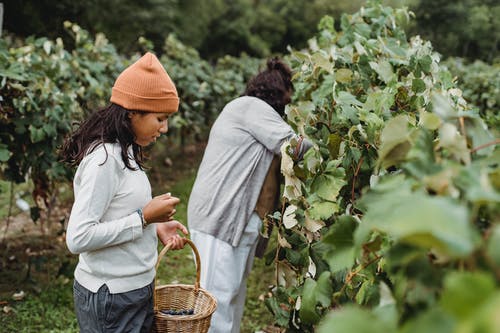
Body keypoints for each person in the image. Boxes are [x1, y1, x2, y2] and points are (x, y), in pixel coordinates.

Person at [61, 52, 189, 332]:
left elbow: (118, 211)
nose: (165, 129)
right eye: (160, 118)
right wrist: (143, 218)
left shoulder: (126, 151)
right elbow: (78, 237)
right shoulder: (104, 160)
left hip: (136, 289)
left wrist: (155, 226)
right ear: (132, 111)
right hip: (111, 297)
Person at [187, 57, 312, 333]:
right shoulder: (251, 108)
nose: (290, 103)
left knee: (231, 297)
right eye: (288, 96)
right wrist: (329, 147)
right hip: (220, 217)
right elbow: (295, 147)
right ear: (276, 93)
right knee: (216, 304)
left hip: (238, 219)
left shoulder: (249, 111)